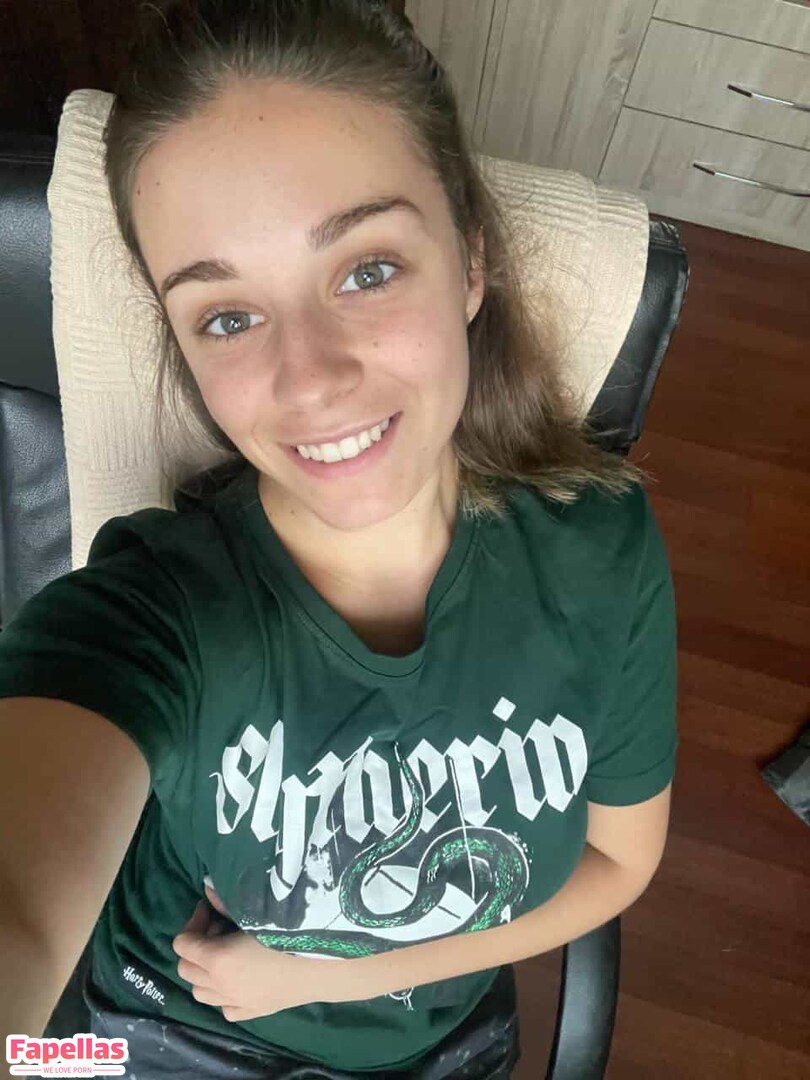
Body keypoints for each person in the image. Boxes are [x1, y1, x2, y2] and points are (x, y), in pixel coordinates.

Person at [0, 1, 678, 1077]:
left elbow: (618, 861)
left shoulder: (599, 552)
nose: (308, 380)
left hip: (434, 1046)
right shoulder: (158, 612)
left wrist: (325, 974)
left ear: (470, 258)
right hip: (159, 1034)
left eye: (366, 270)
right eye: (227, 317)